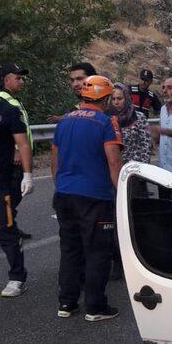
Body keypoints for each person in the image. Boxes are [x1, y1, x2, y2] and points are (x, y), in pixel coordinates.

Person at [51, 75, 123, 321]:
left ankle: (67, 302)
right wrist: (122, 193)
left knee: (70, 249)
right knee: (97, 251)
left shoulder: (64, 121)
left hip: (64, 194)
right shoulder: (106, 122)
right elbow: (114, 161)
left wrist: (60, 186)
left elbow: (55, 162)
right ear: (104, 98)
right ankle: (95, 306)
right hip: (94, 197)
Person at [0, 66, 33, 297]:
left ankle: (17, 277)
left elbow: (23, 144)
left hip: (0, 180)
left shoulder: (7, 110)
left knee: (5, 229)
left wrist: (28, 175)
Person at [0, 63, 34, 240]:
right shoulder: (1, 101)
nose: (22, 81)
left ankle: (9, 227)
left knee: (14, 196)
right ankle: (5, 229)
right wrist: (15, 151)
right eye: (18, 78)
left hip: (20, 157)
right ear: (6, 80)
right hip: (12, 159)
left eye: (22, 78)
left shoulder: (13, 99)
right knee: (10, 196)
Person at [109, 83, 153, 164]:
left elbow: (146, 146)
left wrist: (139, 170)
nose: (116, 102)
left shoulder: (139, 117)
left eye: (119, 98)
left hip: (134, 169)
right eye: (113, 99)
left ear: (127, 98)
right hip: (114, 168)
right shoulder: (107, 119)